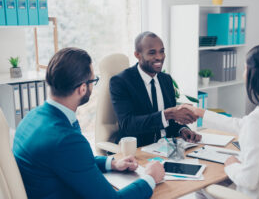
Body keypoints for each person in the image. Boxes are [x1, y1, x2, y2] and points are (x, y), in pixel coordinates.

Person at [13, 47, 165, 199]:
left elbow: (73, 161)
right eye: (94, 81)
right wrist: (150, 177)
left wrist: (112, 163)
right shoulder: (66, 140)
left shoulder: (31, 117)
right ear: (82, 88)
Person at [181, 44, 259, 199]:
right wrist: (201, 113)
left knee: (200, 186)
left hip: (251, 193)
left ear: (256, 76)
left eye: (245, 69)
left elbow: (248, 179)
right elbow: (240, 125)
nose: (243, 74)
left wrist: (231, 164)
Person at [109, 31, 201, 147]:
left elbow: (171, 121)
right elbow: (128, 124)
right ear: (137, 55)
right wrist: (167, 114)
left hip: (169, 148)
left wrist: (182, 129)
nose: (159, 57)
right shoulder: (121, 82)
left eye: (162, 51)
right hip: (140, 149)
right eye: (152, 53)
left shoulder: (166, 80)